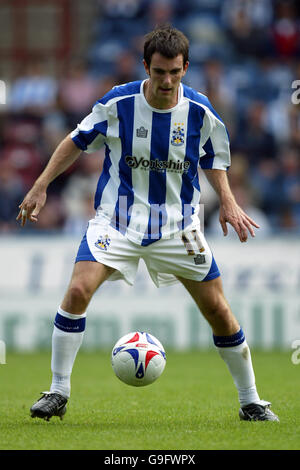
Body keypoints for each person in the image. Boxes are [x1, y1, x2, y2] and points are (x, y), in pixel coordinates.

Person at [17, 25, 279, 422]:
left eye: (175, 72)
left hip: (178, 227)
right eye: (159, 72)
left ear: (186, 68)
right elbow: (75, 139)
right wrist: (40, 185)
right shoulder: (118, 103)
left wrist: (228, 201)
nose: (167, 81)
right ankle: (57, 391)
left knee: (219, 312)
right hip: (117, 222)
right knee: (77, 290)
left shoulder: (200, 111)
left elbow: (215, 158)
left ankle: (251, 402)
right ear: (146, 68)